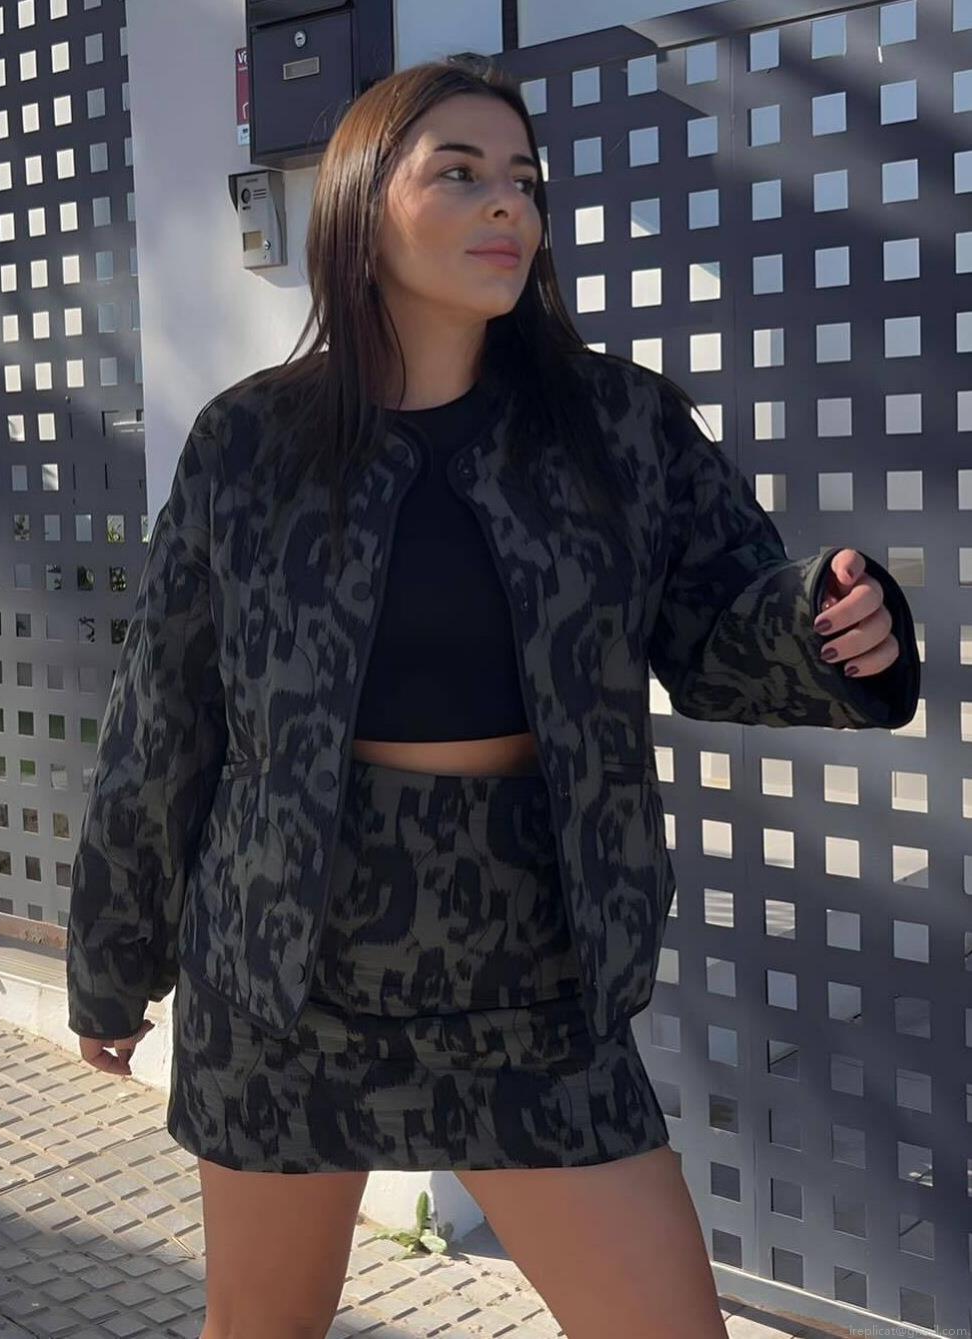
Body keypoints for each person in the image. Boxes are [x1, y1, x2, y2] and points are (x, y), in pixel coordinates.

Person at [65, 55, 919, 1339]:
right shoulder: (252, 443)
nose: (506, 202)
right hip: (287, 970)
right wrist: (112, 962)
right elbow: (163, 721)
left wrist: (829, 627)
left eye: (522, 178)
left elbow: (719, 627)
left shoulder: (616, 425)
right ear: (360, 204)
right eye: (458, 173)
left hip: (533, 965)